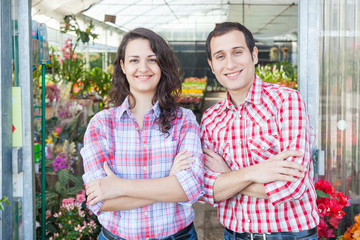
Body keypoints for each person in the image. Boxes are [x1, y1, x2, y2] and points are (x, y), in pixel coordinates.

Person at [81, 28, 204, 240]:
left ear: (162, 65)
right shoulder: (102, 124)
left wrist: (119, 186)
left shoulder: (183, 119)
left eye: (152, 60)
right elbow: (99, 201)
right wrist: (169, 182)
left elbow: (190, 188)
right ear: (123, 66)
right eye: (134, 60)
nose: (143, 68)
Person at [200, 22, 319, 239]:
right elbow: (206, 190)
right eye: (220, 56)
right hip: (235, 235)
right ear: (211, 65)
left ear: (253, 55)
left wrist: (227, 176)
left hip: (289, 235)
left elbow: (292, 187)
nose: (230, 63)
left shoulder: (286, 102)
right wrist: (254, 172)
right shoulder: (210, 120)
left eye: (237, 52)